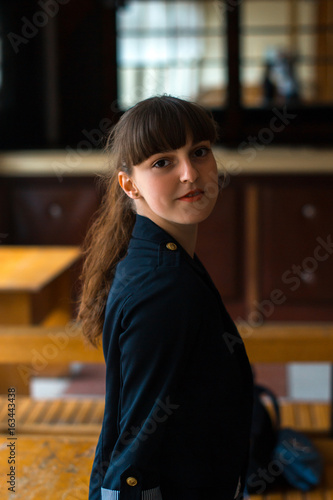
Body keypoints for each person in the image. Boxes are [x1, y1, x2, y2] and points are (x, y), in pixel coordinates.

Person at [78, 95, 253, 500]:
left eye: (200, 152)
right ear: (129, 184)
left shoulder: (159, 257)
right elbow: (138, 444)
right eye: (162, 162)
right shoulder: (165, 289)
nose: (190, 173)